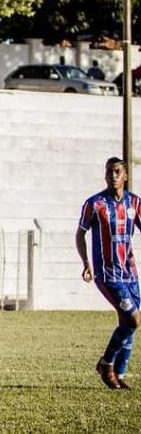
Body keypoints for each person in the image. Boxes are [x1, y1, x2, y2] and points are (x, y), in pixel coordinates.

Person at [76, 157, 140, 390]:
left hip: (130, 274)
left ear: (125, 176)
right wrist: (86, 262)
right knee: (133, 320)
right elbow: (80, 234)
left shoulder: (135, 203)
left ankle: (119, 375)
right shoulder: (95, 204)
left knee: (127, 324)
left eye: (117, 172)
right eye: (109, 172)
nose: (112, 176)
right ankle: (106, 364)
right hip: (107, 274)